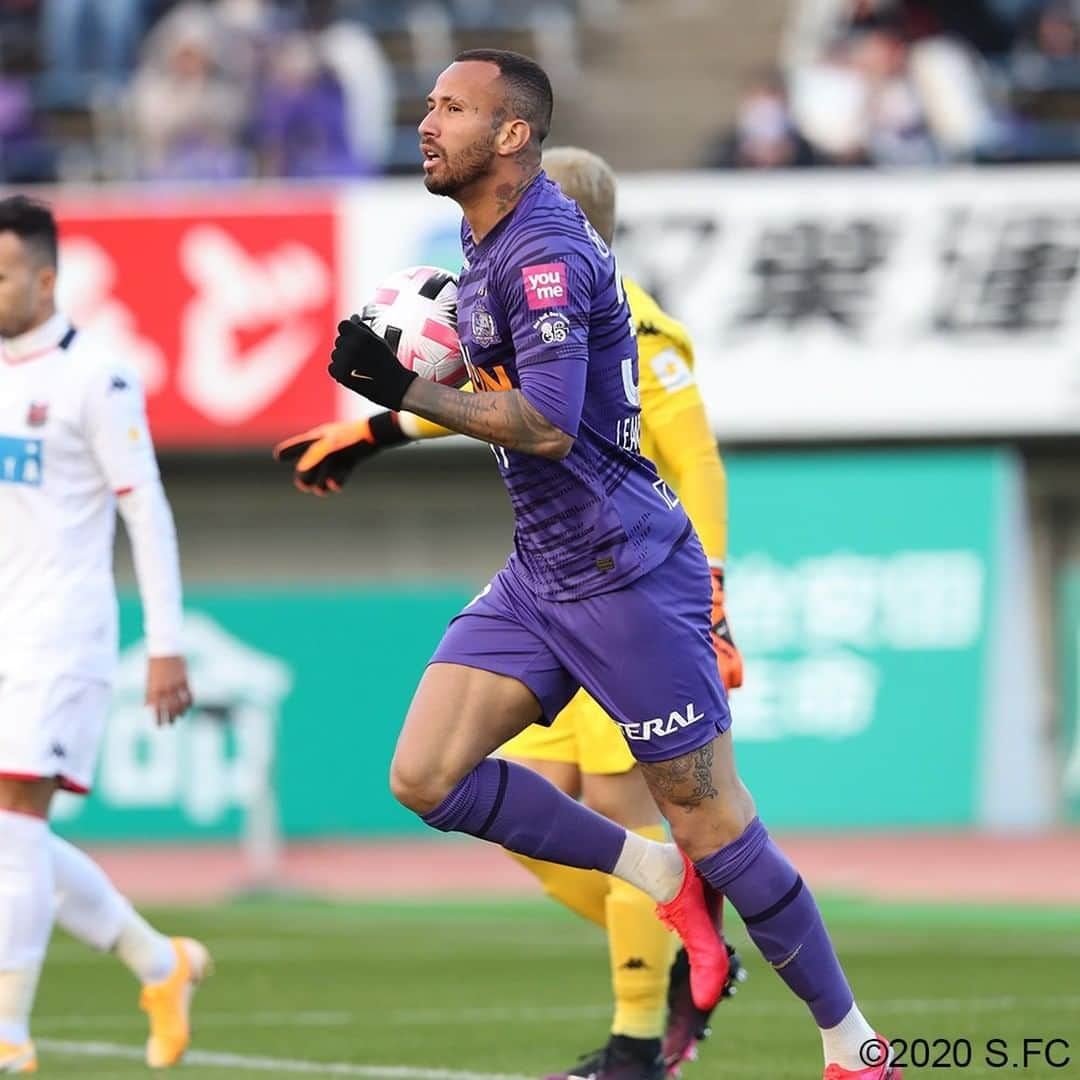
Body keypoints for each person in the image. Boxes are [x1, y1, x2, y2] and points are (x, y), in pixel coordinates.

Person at [319, 50, 900, 1080]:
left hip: (627, 574)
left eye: (452, 108)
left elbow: (543, 424)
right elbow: (505, 389)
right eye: (429, 104)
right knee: (424, 776)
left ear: (510, 136)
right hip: (542, 573)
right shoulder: (485, 237)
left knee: (718, 822)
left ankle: (853, 1044)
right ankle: (653, 875)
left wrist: (401, 394)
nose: (426, 121)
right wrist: (390, 414)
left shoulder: (541, 252)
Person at [275, 144, 748, 1080]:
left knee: (625, 809)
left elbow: (697, 461)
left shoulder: (639, 329)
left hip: (631, 596)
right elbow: (490, 395)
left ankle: (635, 1045)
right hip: (551, 593)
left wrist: (716, 587)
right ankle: (685, 927)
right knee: (526, 806)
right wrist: (367, 433)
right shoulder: (521, 312)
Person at [0, 195, 210, 1072]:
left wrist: (165, 641)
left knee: (14, 824)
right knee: (15, 836)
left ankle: (7, 1032)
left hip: (61, 635)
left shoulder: (99, 378)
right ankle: (160, 964)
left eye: (1, 273)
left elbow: (146, 509)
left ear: (46, 279)